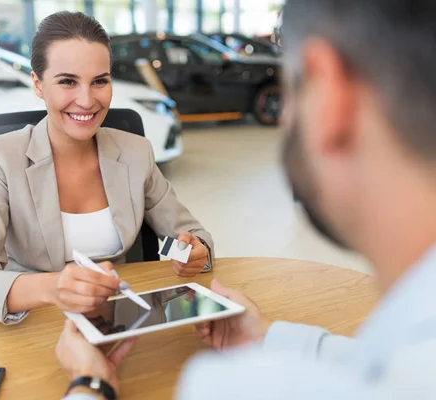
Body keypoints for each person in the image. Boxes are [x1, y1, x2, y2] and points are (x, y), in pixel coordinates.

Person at [56, 0, 436, 398]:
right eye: (68, 81)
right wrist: (269, 336)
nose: (86, 98)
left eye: (291, 89)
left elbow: (183, 230)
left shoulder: (230, 387)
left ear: (330, 95)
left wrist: (90, 383)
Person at [0, 11, 213, 325]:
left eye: (99, 81)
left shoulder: (134, 153)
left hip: (119, 319)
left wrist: (193, 253)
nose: (87, 100)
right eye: (67, 82)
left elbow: (185, 236)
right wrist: (53, 287)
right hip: (36, 324)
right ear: (38, 84)